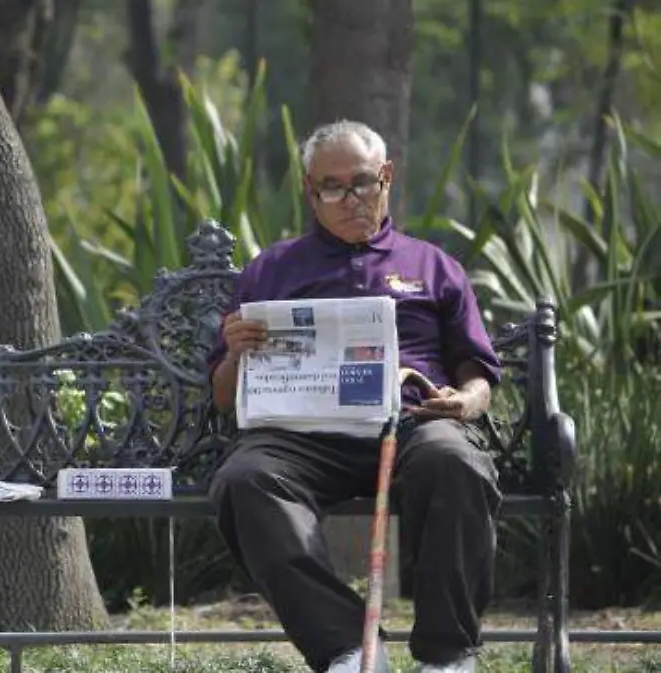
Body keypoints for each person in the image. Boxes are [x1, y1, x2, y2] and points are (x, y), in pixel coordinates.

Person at [206, 120, 502, 673]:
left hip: (410, 422)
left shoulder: (433, 266)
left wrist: (466, 401)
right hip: (302, 436)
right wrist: (235, 353)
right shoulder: (271, 270)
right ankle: (347, 649)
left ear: (386, 177)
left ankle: (447, 655)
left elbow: (477, 371)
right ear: (309, 191)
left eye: (362, 183)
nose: (349, 200)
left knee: (456, 459)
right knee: (243, 480)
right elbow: (224, 398)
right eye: (332, 188)